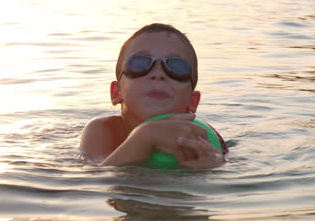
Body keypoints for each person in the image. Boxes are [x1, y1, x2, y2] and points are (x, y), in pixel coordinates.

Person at [80, 23, 228, 169]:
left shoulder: (201, 136)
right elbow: (95, 181)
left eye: (176, 66)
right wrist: (145, 137)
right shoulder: (103, 130)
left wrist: (211, 168)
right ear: (116, 92)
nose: (158, 74)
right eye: (139, 63)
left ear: (192, 101)